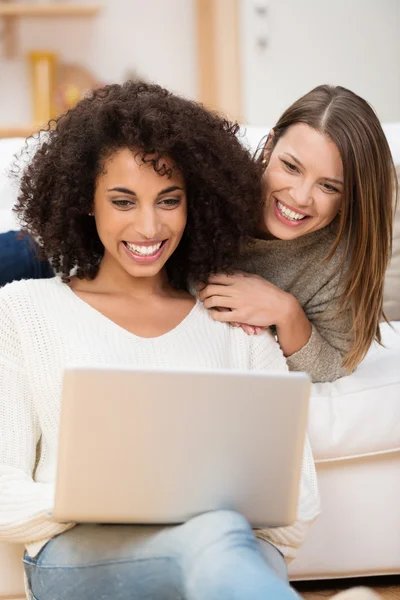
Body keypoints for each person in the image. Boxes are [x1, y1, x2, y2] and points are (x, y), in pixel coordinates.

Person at [0, 81, 319, 600]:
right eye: (123, 201)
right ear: (86, 201)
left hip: (233, 551)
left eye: (168, 201)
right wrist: (104, 502)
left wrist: (207, 523)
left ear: (195, 203)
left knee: (217, 538)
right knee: (215, 536)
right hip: (83, 554)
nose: (149, 227)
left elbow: (297, 505)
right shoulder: (23, 311)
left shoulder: (234, 320)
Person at [199, 85, 397, 383]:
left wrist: (285, 312)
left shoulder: (335, 260)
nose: (301, 197)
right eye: (291, 167)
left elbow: (335, 364)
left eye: (329, 186)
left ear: (348, 198)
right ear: (269, 148)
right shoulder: (213, 190)